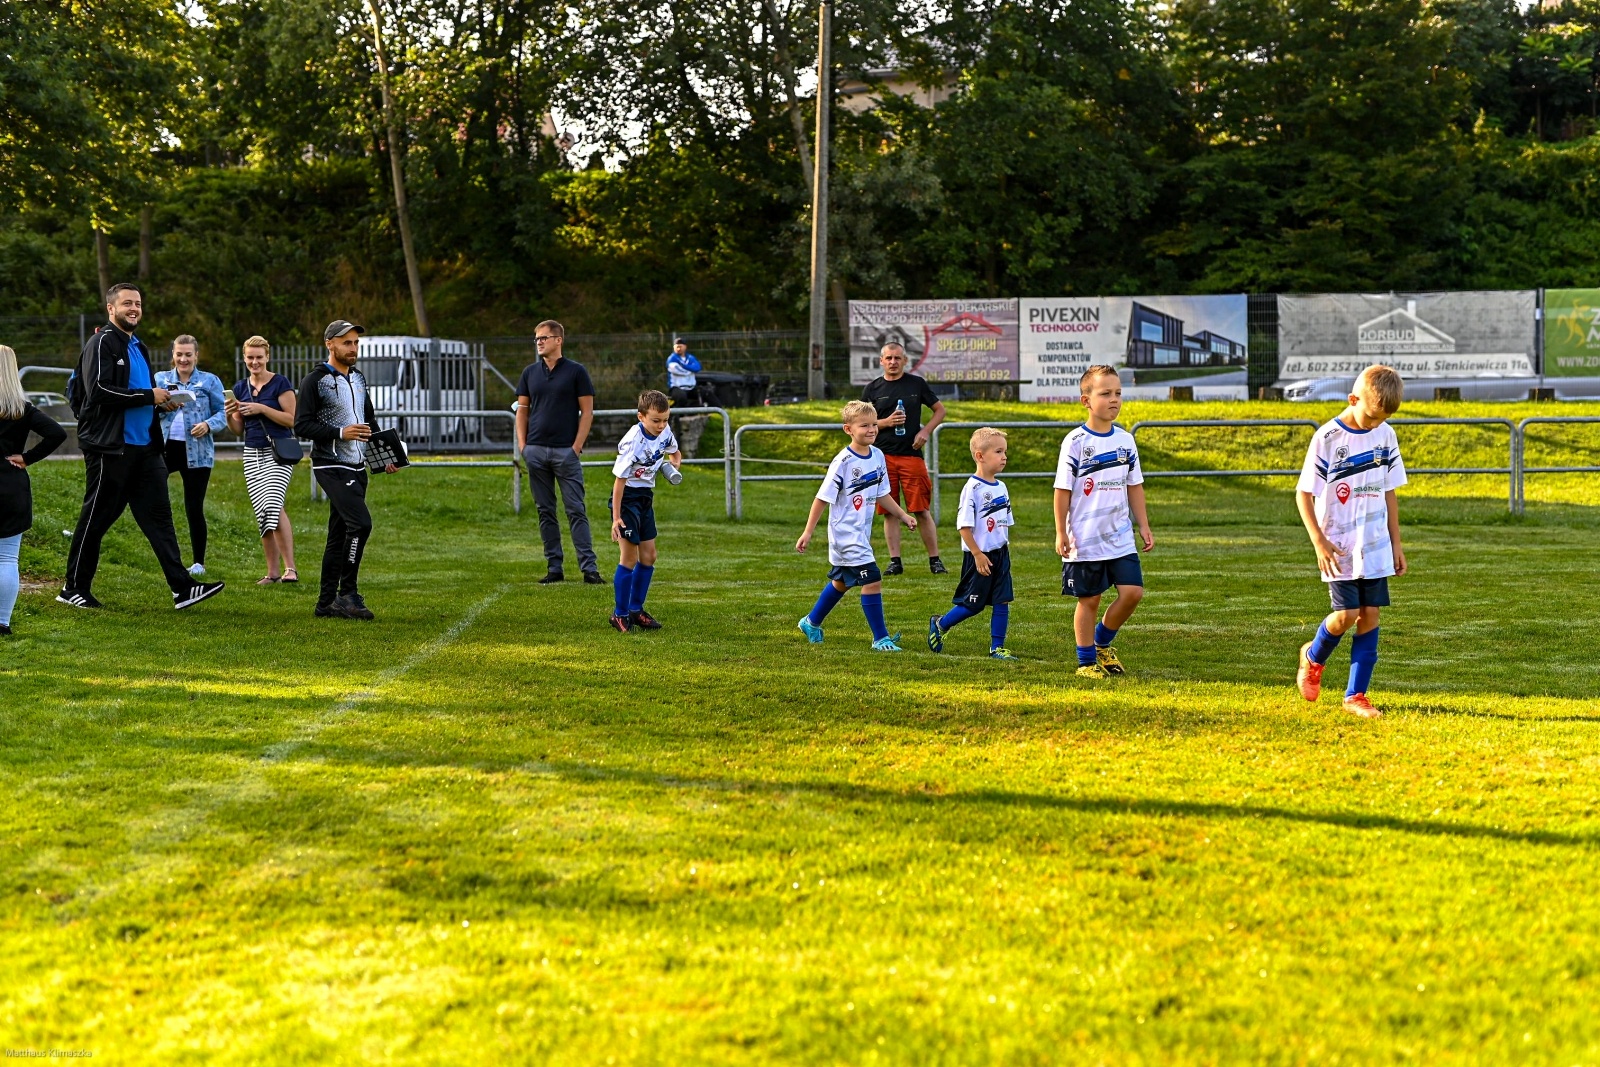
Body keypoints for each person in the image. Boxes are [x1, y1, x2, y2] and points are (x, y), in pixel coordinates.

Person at [59, 283, 225, 611]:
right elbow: (98, 391)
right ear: (111, 309)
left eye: (138, 303)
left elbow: (143, 391)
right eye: (126, 304)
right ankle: (73, 588)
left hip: (146, 448)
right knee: (96, 518)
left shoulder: (140, 346)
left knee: (160, 518)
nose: (134, 309)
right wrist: (150, 396)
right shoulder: (102, 342)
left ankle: (183, 589)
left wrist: (162, 402)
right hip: (111, 448)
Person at [1294, 364, 1409, 719]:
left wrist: (1396, 542)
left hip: (1374, 545)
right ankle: (1313, 657)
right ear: (1353, 399)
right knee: (1346, 615)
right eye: (1372, 416)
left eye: (1382, 419)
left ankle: (1355, 695)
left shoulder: (1386, 436)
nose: (1376, 424)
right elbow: (1303, 494)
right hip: (1339, 545)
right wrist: (1318, 541)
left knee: (1370, 615)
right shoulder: (1328, 438)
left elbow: (1389, 491)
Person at [1053, 364, 1154, 679]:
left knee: (1132, 593)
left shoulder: (1126, 440)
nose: (1114, 399)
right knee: (1090, 598)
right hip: (1085, 538)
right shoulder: (1076, 442)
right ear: (1086, 400)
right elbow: (1062, 490)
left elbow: (1134, 485)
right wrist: (1060, 532)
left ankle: (1102, 642)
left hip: (1120, 535)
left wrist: (1143, 524)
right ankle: (1085, 663)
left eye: (1118, 393)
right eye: (1106, 393)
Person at [794, 400, 919, 651]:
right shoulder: (843, 462)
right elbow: (822, 498)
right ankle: (880, 638)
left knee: (843, 582)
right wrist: (808, 531)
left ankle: (811, 622)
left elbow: (882, 493)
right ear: (848, 429)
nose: (872, 429)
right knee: (872, 579)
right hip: (845, 534)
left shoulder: (878, 456)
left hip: (860, 533)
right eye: (864, 425)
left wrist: (903, 515)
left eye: (874, 424)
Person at [294, 320, 398, 620]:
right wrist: (341, 433)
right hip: (331, 464)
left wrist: (384, 456)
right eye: (346, 343)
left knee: (338, 535)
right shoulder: (315, 380)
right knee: (360, 524)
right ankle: (347, 594)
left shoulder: (358, 378)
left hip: (357, 465)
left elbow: (369, 422)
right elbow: (302, 424)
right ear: (330, 344)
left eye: (355, 343)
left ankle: (326, 603)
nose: (353, 348)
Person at [515, 319, 602, 584]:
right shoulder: (529, 373)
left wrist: (576, 447)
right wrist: (523, 446)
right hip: (536, 452)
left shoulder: (576, 372)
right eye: (537, 339)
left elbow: (587, 412)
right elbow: (522, 410)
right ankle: (555, 568)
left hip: (566, 452)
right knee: (545, 511)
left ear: (558, 340)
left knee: (576, 510)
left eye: (543, 337)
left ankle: (589, 569)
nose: (539, 342)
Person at [927, 427, 1017, 660]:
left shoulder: (1003, 487)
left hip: (1000, 554)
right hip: (979, 556)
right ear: (980, 456)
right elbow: (964, 527)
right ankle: (941, 624)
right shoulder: (972, 489)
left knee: (1002, 600)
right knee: (973, 604)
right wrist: (977, 554)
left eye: (1005, 451)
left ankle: (997, 648)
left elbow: (1003, 522)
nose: (1004, 456)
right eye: (998, 451)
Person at [860, 341, 948, 575]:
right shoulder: (872, 389)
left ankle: (935, 560)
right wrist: (885, 423)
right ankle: (895, 561)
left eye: (897, 358)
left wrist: (925, 431)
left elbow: (940, 410)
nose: (892, 362)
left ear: (905, 361)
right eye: (888, 358)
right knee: (889, 511)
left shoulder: (916, 384)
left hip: (911, 455)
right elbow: (860, 423)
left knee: (921, 509)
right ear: (881, 361)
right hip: (882, 457)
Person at [0, 345, 68, 635]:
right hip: (10, 484)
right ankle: (2, 621)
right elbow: (58, 432)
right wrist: (27, 458)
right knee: (7, 558)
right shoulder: (21, 408)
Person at [224, 335, 299, 584]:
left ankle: (291, 569)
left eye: (259, 357)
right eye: (250, 357)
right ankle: (272, 573)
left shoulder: (280, 383)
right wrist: (229, 415)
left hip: (278, 452)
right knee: (262, 512)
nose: (254, 362)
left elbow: (291, 420)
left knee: (273, 505)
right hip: (252, 454)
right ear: (244, 358)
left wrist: (262, 409)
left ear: (267, 357)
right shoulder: (240, 387)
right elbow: (238, 430)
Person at [607, 389, 682, 633]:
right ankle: (619, 614)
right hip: (627, 498)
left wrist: (674, 465)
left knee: (649, 557)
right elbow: (619, 482)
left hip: (644, 498)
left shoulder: (665, 431)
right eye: (655, 420)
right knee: (629, 558)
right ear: (641, 417)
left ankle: (636, 610)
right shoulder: (632, 441)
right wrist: (616, 517)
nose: (661, 426)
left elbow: (674, 451)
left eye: (665, 420)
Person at [155, 334, 228, 577]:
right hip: (165, 449)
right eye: (179, 354)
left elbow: (222, 414)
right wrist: (162, 406)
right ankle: (167, 556)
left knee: (193, 507)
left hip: (197, 452)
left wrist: (207, 425)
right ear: (172, 356)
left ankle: (198, 562)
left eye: (188, 354)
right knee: (156, 502)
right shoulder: (160, 379)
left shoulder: (209, 381)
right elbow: (149, 410)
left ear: (196, 356)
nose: (183, 359)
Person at [666, 337, 703, 406]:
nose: (679, 349)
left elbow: (697, 368)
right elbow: (677, 370)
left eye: (680, 346)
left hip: (691, 387)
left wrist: (684, 366)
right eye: (677, 347)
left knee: (706, 393)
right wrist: (690, 370)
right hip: (676, 387)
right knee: (681, 397)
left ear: (685, 347)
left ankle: (721, 411)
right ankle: (676, 415)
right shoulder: (671, 358)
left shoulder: (690, 357)